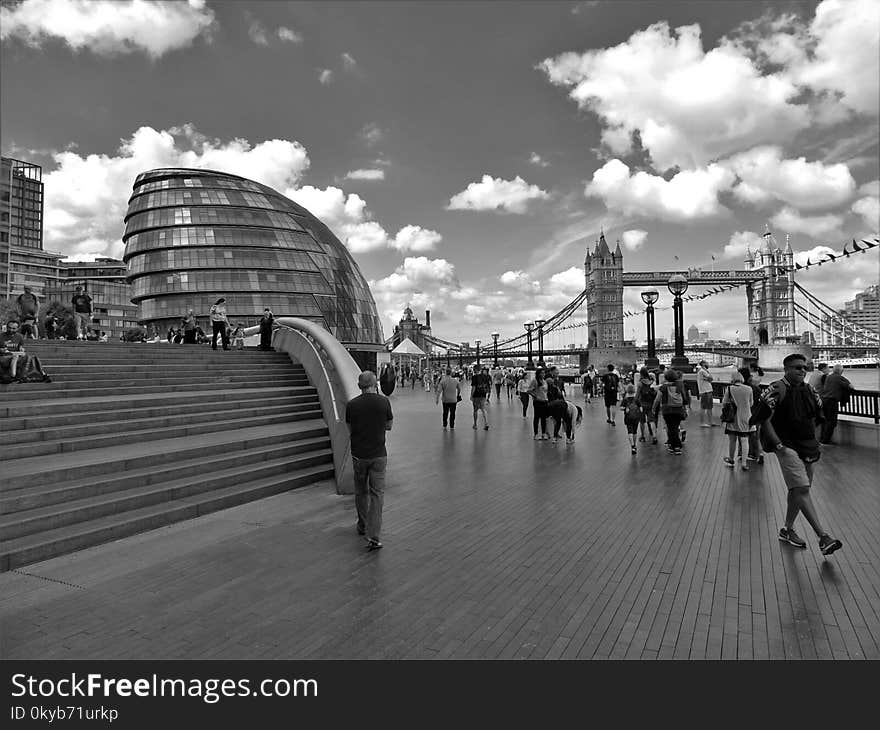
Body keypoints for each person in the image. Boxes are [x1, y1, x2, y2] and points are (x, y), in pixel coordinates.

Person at [750, 353, 842, 556]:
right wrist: (779, 445)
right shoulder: (776, 389)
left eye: (804, 367)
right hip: (787, 446)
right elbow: (764, 418)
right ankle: (823, 537)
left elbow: (818, 416)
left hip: (808, 446)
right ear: (786, 369)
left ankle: (787, 529)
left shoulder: (809, 390)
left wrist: (816, 441)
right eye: (797, 367)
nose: (802, 371)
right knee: (801, 488)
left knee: (798, 490)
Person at [345, 371, 393, 551]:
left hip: (359, 454)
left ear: (359, 386)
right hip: (379, 454)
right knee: (377, 494)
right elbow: (389, 425)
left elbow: (349, 428)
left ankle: (362, 525)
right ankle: (373, 535)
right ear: (376, 384)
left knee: (361, 491)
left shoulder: (352, 405)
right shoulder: (383, 402)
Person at [721, 371, 755, 470]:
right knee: (744, 440)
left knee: (732, 440)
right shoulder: (749, 389)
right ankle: (744, 463)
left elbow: (724, 403)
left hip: (733, 418)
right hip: (746, 417)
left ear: (733, 378)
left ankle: (731, 459)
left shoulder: (729, 388)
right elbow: (751, 403)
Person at [652, 369, 690, 455]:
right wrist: (686, 408)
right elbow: (684, 398)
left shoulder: (663, 387)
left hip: (667, 410)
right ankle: (672, 446)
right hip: (678, 409)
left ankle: (676, 447)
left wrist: (654, 408)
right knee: (675, 427)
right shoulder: (680, 385)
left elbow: (657, 399)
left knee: (670, 427)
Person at [819, 364, 852, 445]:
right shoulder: (839, 377)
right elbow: (851, 386)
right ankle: (825, 441)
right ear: (841, 371)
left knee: (826, 420)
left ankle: (822, 439)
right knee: (832, 421)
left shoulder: (829, 377)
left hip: (824, 400)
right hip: (832, 401)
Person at [739, 366, 764, 465]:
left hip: (743, 415)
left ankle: (747, 454)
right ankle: (759, 453)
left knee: (744, 436)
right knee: (756, 436)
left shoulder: (739, 389)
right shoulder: (756, 389)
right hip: (756, 414)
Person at [636, 367, 658, 444]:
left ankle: (642, 436)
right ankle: (654, 436)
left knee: (642, 422)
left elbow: (637, 396)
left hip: (642, 404)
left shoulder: (640, 383)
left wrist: (635, 403)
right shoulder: (652, 381)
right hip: (651, 403)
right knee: (652, 421)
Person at [546, 376, 570, 444]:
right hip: (559, 406)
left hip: (550, 407)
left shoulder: (545, 389)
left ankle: (553, 437)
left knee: (557, 421)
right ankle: (568, 438)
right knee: (566, 421)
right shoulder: (556, 388)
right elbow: (560, 397)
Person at [527, 367, 549, 439]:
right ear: (538, 374)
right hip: (538, 402)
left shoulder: (544, 381)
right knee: (536, 417)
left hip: (545, 401)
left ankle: (543, 433)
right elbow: (529, 390)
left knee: (544, 418)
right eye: (542, 373)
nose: (543, 374)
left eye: (544, 373)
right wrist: (535, 396)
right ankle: (536, 434)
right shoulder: (535, 381)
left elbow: (545, 391)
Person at [621, 384, 642, 454]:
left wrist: (625, 408)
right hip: (636, 417)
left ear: (627, 391)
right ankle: (635, 445)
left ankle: (632, 446)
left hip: (628, 417)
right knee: (635, 431)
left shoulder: (625, 400)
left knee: (630, 431)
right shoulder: (636, 399)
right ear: (633, 391)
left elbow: (621, 408)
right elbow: (641, 409)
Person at [696, 360, 716, 427]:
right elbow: (711, 378)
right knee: (703, 407)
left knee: (709, 407)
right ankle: (702, 422)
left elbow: (710, 379)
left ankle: (710, 422)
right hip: (705, 391)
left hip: (708, 391)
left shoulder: (703, 371)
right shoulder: (702, 371)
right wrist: (708, 374)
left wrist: (708, 377)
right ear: (703, 364)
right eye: (707, 363)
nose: (708, 364)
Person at [470, 365, 491, 430]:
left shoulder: (474, 377)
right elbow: (488, 385)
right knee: (483, 409)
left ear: (475, 370)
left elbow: (474, 387)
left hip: (476, 395)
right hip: (483, 394)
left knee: (475, 410)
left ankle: (475, 424)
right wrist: (487, 394)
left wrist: (471, 395)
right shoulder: (485, 376)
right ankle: (486, 423)